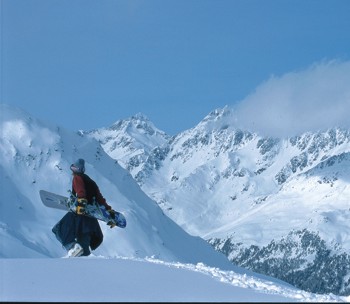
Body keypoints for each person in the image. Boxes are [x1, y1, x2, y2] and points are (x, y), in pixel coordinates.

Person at [52, 158, 115, 257]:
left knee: (58, 229)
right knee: (84, 244)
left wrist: (80, 203)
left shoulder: (77, 178)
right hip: (91, 219)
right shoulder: (91, 182)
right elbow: (100, 199)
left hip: (79, 215)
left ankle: (73, 248)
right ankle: (81, 258)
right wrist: (109, 211)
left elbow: (81, 192)